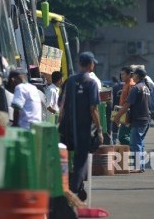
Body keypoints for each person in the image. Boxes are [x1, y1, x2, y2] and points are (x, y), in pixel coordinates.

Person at [59, 51, 103, 200]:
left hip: (68, 128)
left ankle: (69, 188)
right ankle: (74, 193)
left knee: (66, 159)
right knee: (80, 161)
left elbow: (62, 104)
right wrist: (100, 129)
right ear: (91, 64)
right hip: (84, 129)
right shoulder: (91, 83)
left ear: (79, 64)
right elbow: (93, 109)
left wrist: (61, 123)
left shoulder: (70, 81)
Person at [113, 67, 151, 173]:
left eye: (134, 74)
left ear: (137, 76)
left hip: (138, 119)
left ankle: (138, 166)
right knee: (140, 143)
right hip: (146, 118)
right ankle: (141, 166)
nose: (132, 76)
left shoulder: (136, 88)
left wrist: (117, 116)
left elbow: (127, 105)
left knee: (135, 143)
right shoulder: (145, 88)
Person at [117, 66, 135, 145]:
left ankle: (135, 147)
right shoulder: (125, 84)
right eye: (121, 74)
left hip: (127, 114)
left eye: (123, 74)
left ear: (129, 75)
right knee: (125, 136)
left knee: (122, 136)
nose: (121, 76)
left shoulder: (131, 84)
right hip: (123, 113)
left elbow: (130, 102)